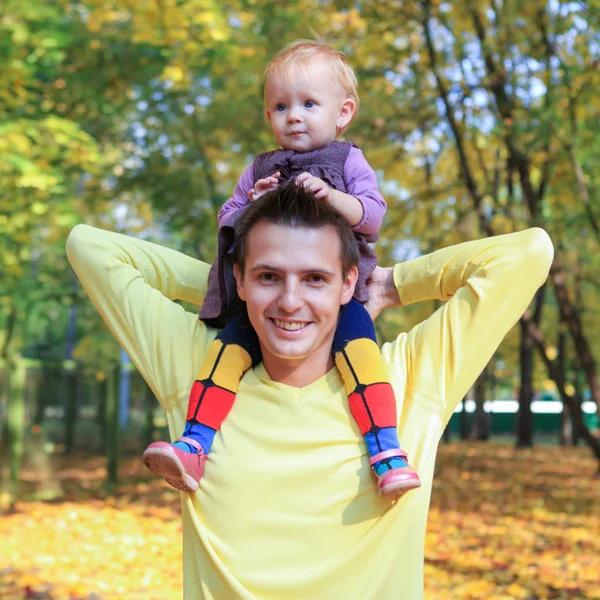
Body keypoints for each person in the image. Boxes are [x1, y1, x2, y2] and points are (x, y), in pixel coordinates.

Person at [67, 182, 553, 599]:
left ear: (347, 284)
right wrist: (226, 290)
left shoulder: (406, 378)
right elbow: (90, 247)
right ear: (241, 278)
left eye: (315, 279)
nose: (291, 301)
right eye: (269, 276)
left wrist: (387, 286)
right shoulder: (199, 370)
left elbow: (527, 253)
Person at [142, 39, 420, 498]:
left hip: (337, 303)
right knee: (224, 354)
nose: (294, 115)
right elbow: (227, 219)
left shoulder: (347, 160)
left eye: (309, 104)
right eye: (280, 106)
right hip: (260, 306)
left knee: (361, 357)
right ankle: (195, 443)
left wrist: (333, 198)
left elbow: (372, 215)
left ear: (343, 113)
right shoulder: (258, 168)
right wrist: (252, 204)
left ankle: (386, 450)